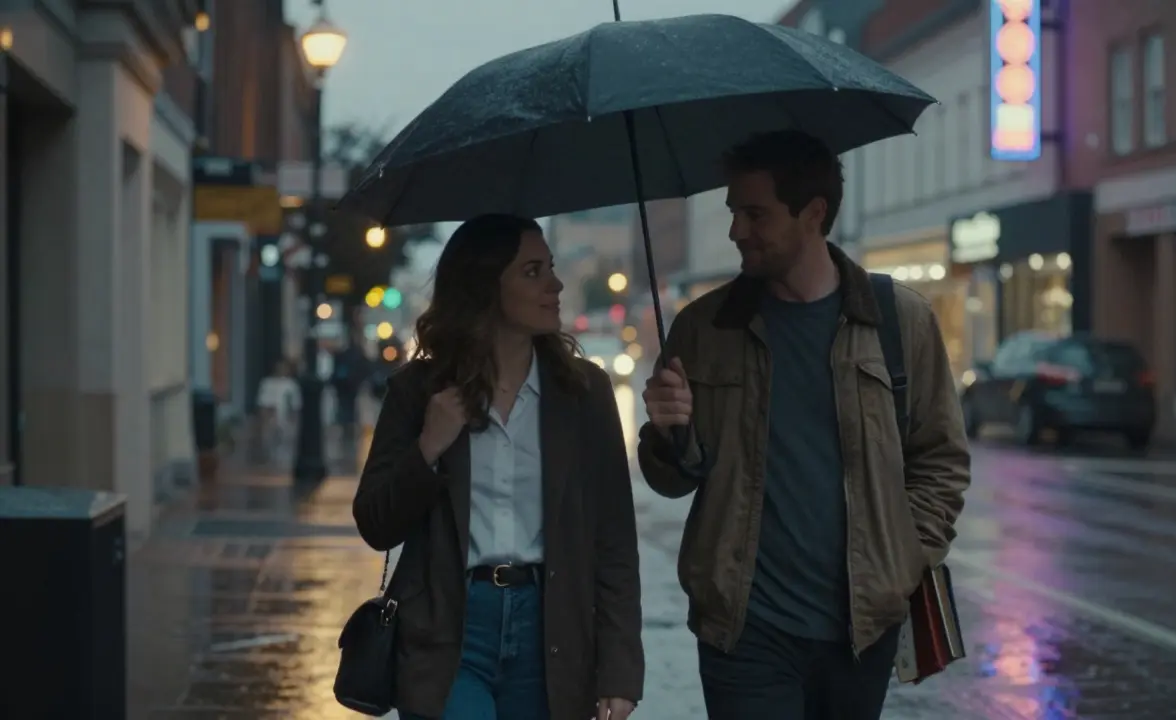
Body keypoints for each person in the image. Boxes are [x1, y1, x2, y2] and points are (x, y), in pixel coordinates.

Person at [638, 130, 971, 720]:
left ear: (814, 213)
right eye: (734, 212)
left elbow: (940, 459)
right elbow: (673, 479)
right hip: (743, 630)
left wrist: (903, 560)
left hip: (859, 629)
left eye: (755, 213)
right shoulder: (704, 327)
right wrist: (669, 432)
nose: (737, 230)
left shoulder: (899, 321)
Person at [353, 214, 643, 720]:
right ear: (485, 287)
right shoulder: (420, 392)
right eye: (532, 272)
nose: (554, 284)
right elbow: (376, 522)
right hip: (450, 628)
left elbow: (613, 540)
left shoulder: (583, 393)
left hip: (551, 631)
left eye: (550, 268)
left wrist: (619, 669)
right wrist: (428, 446)